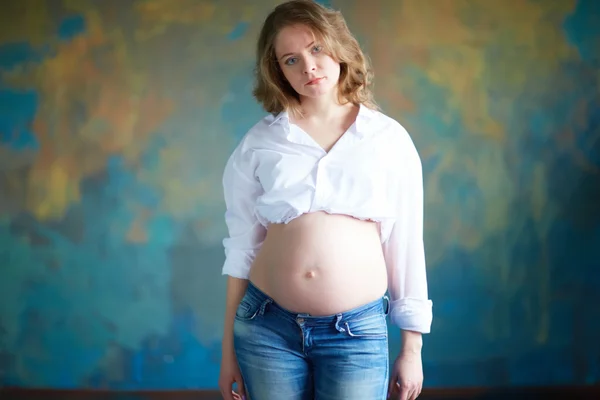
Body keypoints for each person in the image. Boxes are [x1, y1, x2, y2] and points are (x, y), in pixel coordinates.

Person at [218, 1, 433, 399]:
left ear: (340, 48)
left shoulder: (387, 139)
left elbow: (405, 243)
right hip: (266, 329)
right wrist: (227, 352)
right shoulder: (259, 143)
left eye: (316, 49)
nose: (308, 67)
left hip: (356, 334)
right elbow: (241, 250)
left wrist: (412, 347)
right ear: (277, 70)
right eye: (291, 59)